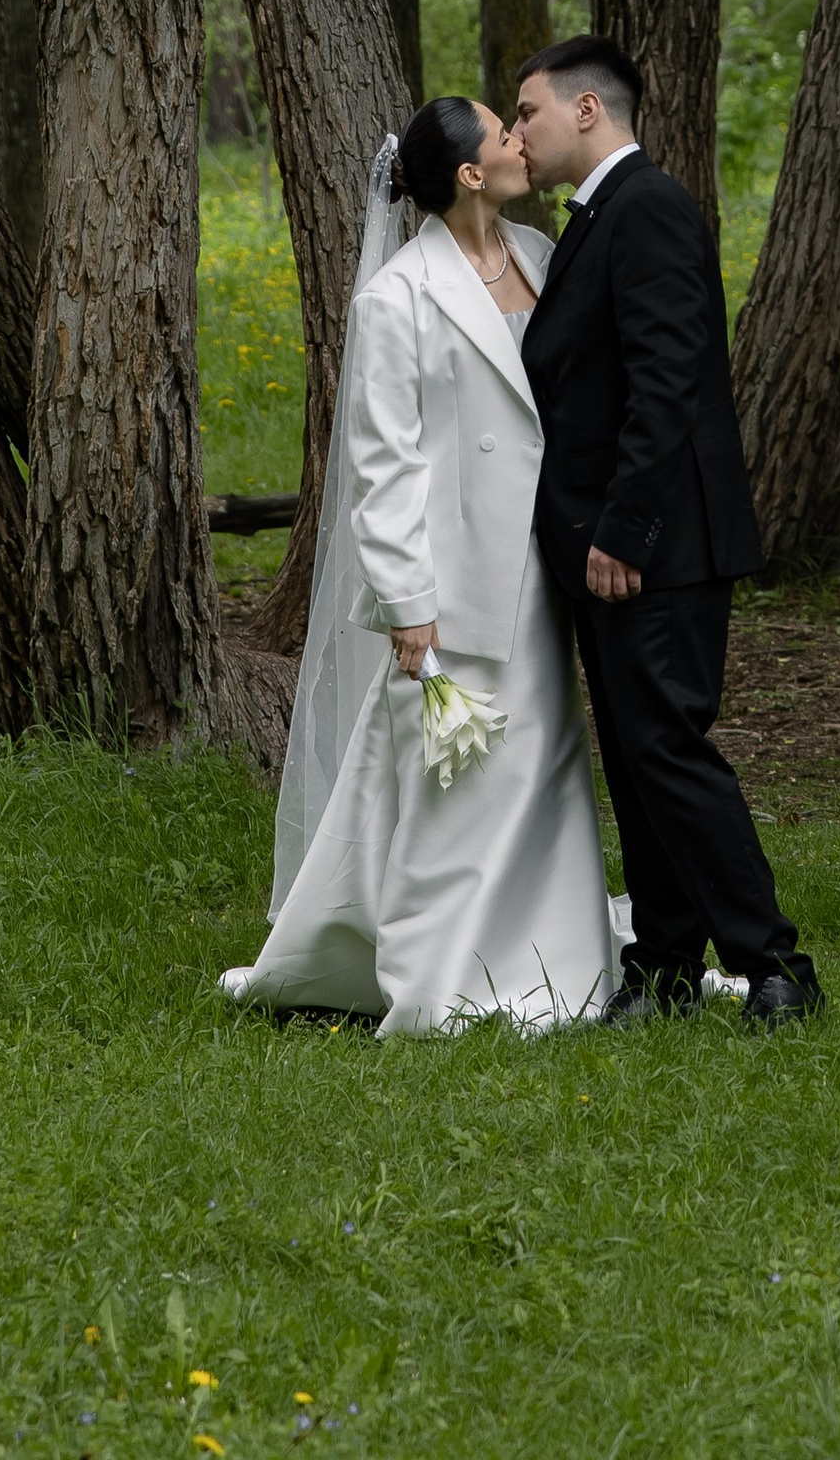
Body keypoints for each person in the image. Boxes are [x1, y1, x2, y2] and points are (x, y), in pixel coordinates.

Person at [221, 95, 619, 1036]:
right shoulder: (396, 297)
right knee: (456, 782)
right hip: (455, 570)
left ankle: (563, 956)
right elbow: (382, 466)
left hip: (545, 555)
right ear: (472, 174)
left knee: (546, 762)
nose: (523, 139)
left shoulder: (539, 254)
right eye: (503, 131)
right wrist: (408, 605)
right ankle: (444, 977)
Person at [513, 33, 822, 1030]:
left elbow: (668, 380)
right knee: (639, 756)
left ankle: (774, 967)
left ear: (587, 110)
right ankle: (661, 969)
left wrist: (625, 530)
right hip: (618, 543)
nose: (520, 130)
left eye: (528, 113)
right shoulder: (598, 219)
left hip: (657, 544)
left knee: (670, 750)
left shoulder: (647, 208)